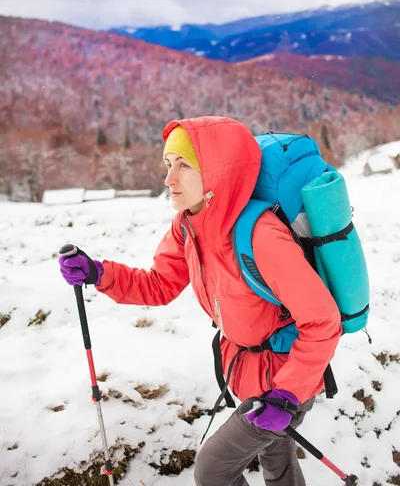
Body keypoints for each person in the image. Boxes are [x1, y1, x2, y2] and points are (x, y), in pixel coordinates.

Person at [59, 116, 342, 486]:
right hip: (248, 370)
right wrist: (100, 273)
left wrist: (286, 397)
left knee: (213, 469)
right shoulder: (188, 225)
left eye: (184, 165)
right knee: (277, 461)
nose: (169, 179)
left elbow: (322, 321)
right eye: (167, 164)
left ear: (216, 171)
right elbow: (159, 284)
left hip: (287, 379)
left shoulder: (260, 235)